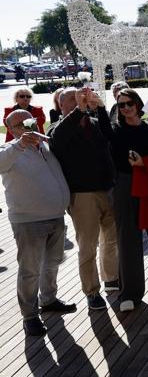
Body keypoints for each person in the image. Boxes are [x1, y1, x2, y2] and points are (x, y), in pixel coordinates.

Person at [91, 89, 148, 312]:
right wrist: (100, 107)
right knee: (127, 237)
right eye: (121, 105)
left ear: (138, 104)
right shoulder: (117, 130)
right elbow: (105, 133)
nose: (126, 108)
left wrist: (144, 164)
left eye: (129, 103)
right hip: (126, 184)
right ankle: (130, 292)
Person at [0, 110, 76, 336]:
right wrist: (19, 144)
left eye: (29, 121)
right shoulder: (9, 150)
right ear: (12, 129)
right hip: (28, 221)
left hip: (56, 216)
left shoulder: (45, 147)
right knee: (30, 270)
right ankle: (30, 316)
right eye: (20, 124)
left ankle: (49, 299)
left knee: (52, 263)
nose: (27, 126)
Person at [48, 87, 119, 310]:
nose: (81, 100)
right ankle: (91, 291)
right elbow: (58, 139)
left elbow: (112, 139)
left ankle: (111, 279)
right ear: (62, 105)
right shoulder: (57, 129)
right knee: (87, 245)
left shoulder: (95, 123)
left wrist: (101, 108)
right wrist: (79, 109)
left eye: (82, 97)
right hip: (82, 195)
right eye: (73, 98)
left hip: (107, 189)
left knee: (110, 239)